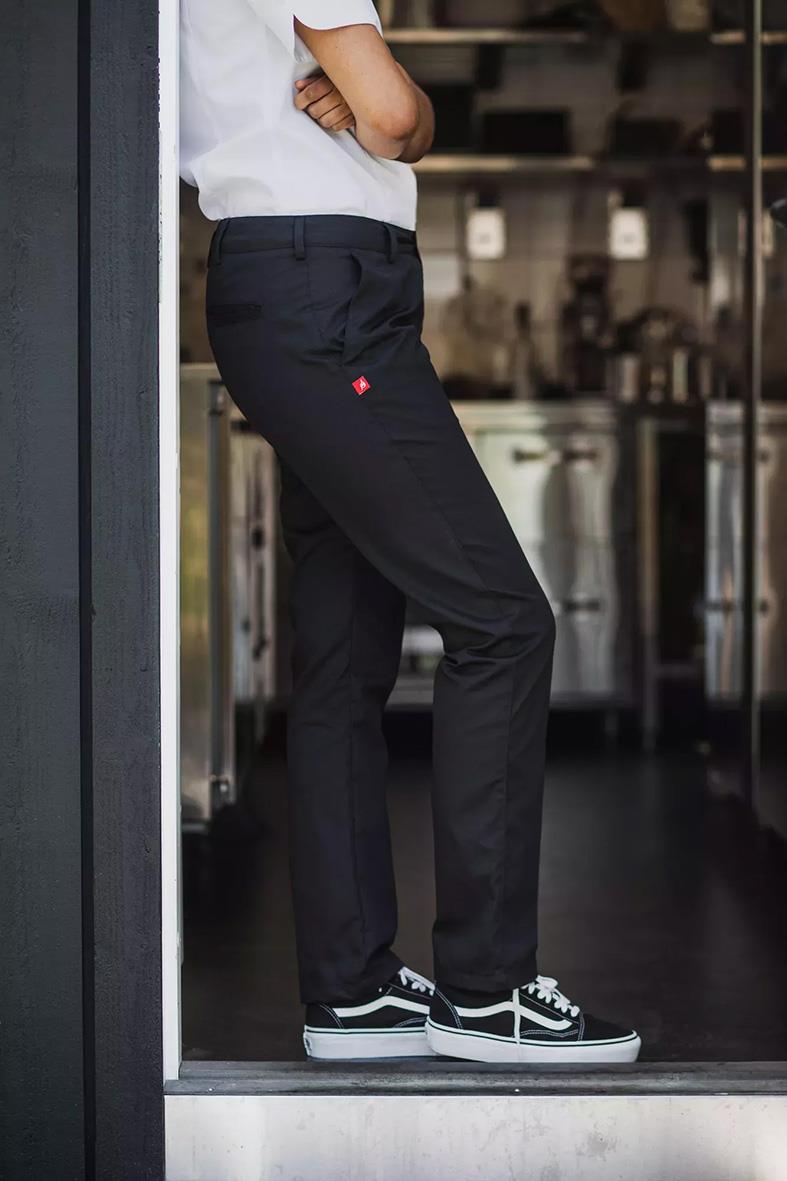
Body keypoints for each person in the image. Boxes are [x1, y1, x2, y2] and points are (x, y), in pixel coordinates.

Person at [180, 0, 640, 1065]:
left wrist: (377, 105)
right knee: (504, 624)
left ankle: (351, 989)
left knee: (343, 655)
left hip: (284, 281)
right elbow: (393, 118)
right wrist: (406, 109)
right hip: (325, 287)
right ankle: (487, 988)